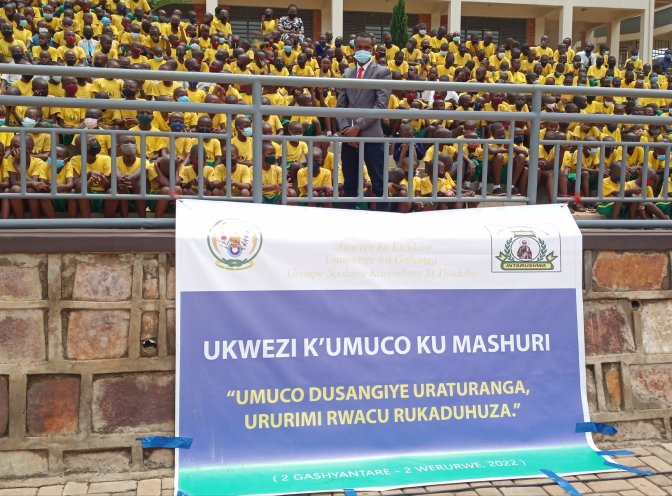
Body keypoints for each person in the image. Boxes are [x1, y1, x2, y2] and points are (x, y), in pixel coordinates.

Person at [337, 31, 391, 210]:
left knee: (379, 184)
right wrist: (347, 130)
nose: (362, 51)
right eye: (359, 47)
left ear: (373, 50)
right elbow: (340, 106)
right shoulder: (347, 73)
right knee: (350, 185)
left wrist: (358, 127)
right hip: (349, 138)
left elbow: (380, 106)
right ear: (353, 49)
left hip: (372, 137)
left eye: (366, 48)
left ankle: (385, 221)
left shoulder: (382, 72)